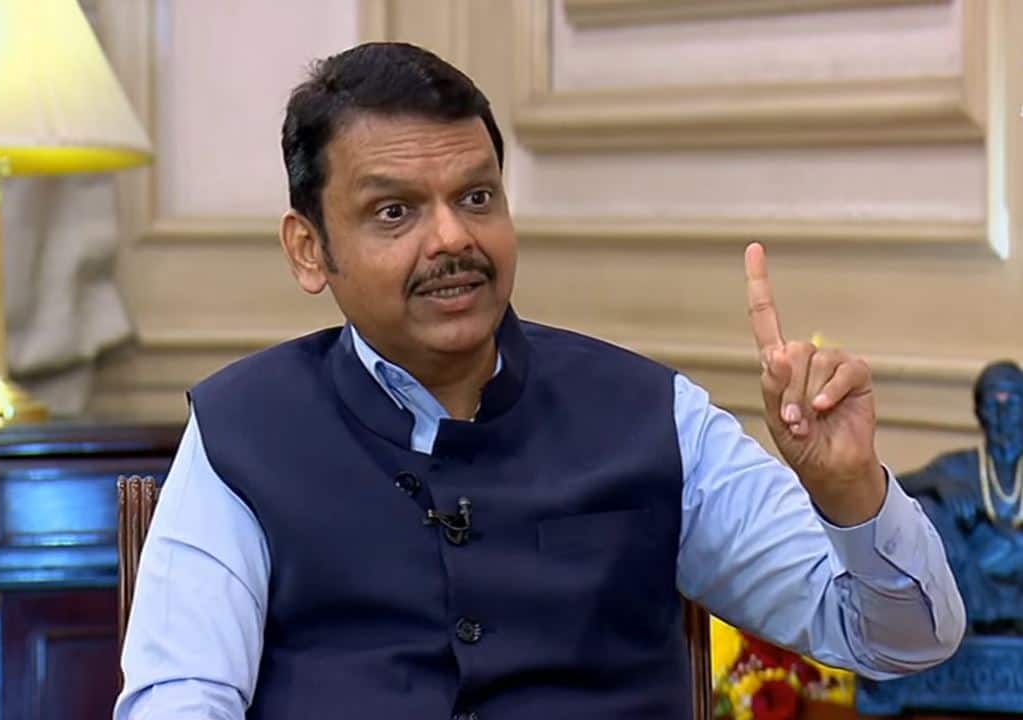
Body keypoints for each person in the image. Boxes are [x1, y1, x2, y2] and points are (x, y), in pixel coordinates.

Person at [114, 42, 964, 720]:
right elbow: (179, 702)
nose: (452, 238)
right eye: (394, 211)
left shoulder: (652, 417)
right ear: (309, 249)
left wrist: (850, 494)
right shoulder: (242, 435)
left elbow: (899, 641)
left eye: (476, 198)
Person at [901, 360, 1023, 635]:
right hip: (968, 602)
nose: (1002, 414)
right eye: (992, 403)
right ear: (979, 412)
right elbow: (891, 489)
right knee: (929, 509)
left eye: (1013, 403)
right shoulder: (959, 467)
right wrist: (938, 483)